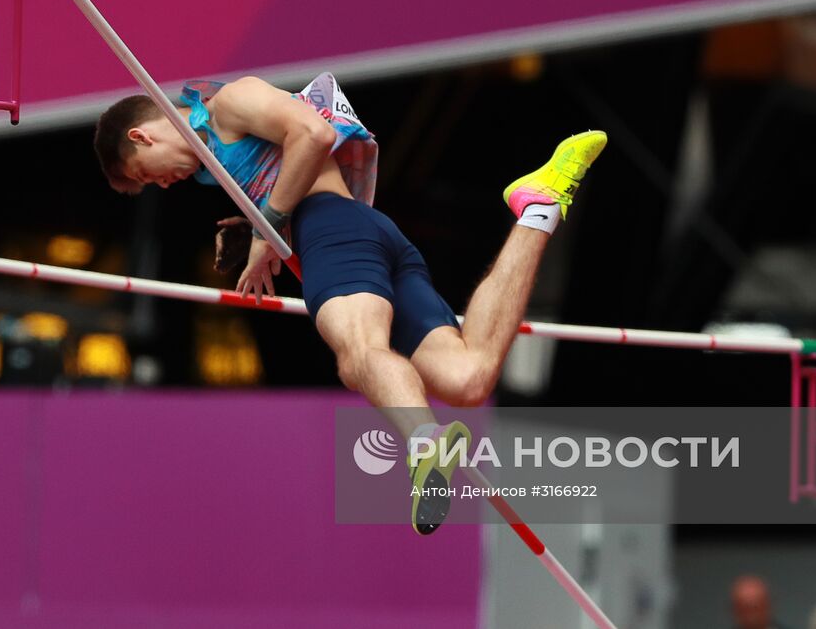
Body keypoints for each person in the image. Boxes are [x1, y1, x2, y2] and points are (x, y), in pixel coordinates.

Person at [93, 74, 606, 534]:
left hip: (332, 235)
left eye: (147, 175)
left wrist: (267, 230)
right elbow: (284, 166)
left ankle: (426, 444)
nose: (162, 184)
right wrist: (255, 225)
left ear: (142, 136)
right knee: (467, 378)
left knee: (359, 352)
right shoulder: (216, 159)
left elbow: (312, 135)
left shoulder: (228, 103)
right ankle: (538, 209)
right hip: (363, 232)